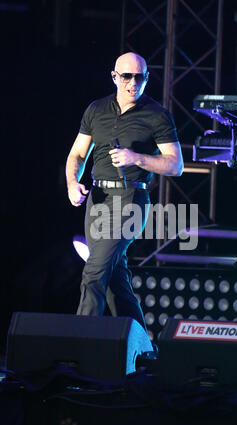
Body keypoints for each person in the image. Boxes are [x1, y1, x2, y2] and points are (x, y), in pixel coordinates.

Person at [65, 52, 183, 334]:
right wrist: (72, 183)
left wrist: (136, 158)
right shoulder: (96, 109)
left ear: (146, 78)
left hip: (131, 200)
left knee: (94, 271)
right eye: (127, 76)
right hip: (97, 200)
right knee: (115, 281)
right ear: (115, 76)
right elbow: (77, 154)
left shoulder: (157, 115)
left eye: (139, 77)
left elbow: (175, 164)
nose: (133, 83)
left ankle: (78, 342)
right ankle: (142, 349)